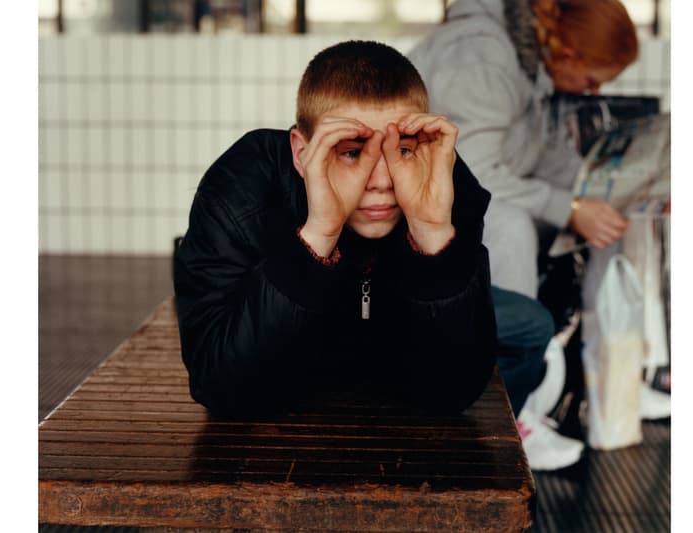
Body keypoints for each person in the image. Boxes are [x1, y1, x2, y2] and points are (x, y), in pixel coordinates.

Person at [173, 40, 575, 468]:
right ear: (301, 152)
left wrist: (432, 232)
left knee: (531, 326)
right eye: (351, 152)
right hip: (308, 340)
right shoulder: (241, 184)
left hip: (390, 331)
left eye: (401, 149)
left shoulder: (441, 178)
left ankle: (508, 434)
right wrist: (319, 234)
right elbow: (219, 386)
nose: (381, 180)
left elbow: (451, 393)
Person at [408, 0, 637, 299]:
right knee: (511, 229)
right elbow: (472, 177)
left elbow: (535, 154)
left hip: (445, 204)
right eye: (591, 81)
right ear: (567, 55)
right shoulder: (484, 58)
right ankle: (513, 339)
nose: (593, 93)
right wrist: (570, 210)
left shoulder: (528, 58)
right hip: (410, 209)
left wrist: (616, 192)